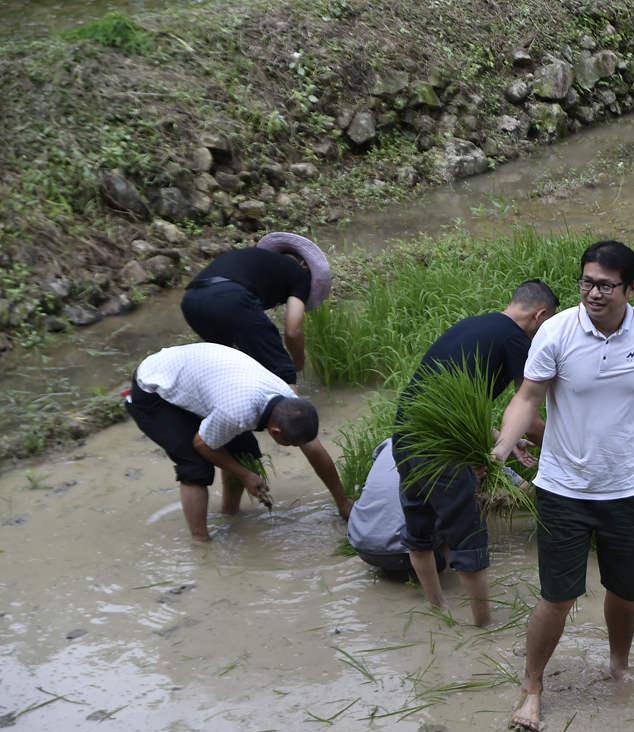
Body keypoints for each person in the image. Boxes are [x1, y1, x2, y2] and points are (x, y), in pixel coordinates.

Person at [491, 240, 634, 732]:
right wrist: (502, 447)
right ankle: (531, 686)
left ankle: (618, 665)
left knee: (626, 590)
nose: (593, 293)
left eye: (606, 286)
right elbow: (528, 397)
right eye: (587, 282)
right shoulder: (557, 332)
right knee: (558, 596)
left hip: (627, 485)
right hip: (563, 487)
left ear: (631, 289)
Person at [394, 280, 559, 627]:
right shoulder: (516, 339)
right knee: (468, 538)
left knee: (419, 533)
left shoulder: (473, 327)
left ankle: (437, 610)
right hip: (442, 448)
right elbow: (529, 412)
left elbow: (449, 401)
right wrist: (564, 450)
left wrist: (501, 437)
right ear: (540, 315)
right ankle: (484, 627)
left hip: (407, 438)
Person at [126, 342, 351, 542]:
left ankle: (229, 514)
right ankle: (200, 542)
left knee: (244, 451)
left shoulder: (290, 402)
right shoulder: (236, 413)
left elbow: (315, 451)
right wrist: (245, 475)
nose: (295, 448)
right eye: (291, 444)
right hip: (155, 388)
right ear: (275, 432)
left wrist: (342, 503)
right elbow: (202, 444)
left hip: (199, 376)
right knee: (195, 467)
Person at [346, 437, 527, 582]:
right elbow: (524, 489)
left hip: (361, 545)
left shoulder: (392, 442)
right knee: (456, 507)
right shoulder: (455, 455)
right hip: (406, 553)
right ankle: (445, 577)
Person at [180, 232, 332, 385]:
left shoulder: (255, 259)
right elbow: (293, 331)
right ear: (305, 265)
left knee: (230, 366)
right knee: (281, 372)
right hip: (230, 298)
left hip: (191, 301)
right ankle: (290, 397)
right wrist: (298, 363)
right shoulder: (301, 275)